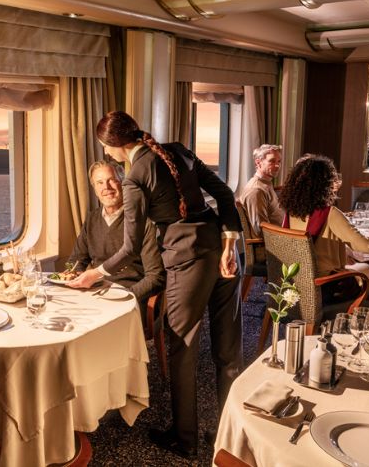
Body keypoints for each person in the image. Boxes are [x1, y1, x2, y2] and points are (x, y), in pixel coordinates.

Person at [69, 111, 243, 458]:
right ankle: (231, 435)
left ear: (112, 146)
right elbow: (224, 195)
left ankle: (185, 438)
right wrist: (229, 242)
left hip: (188, 257)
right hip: (224, 253)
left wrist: (95, 274)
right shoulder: (178, 150)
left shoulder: (135, 178)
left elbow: (129, 248)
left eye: (107, 149)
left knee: (182, 346)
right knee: (228, 352)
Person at [278, 155, 369, 316]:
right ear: (325, 184)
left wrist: (344, 251)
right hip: (327, 288)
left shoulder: (291, 211)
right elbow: (368, 247)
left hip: (293, 282)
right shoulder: (330, 214)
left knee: (365, 269)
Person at [67, 160, 165, 329]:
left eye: (112, 180)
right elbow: (76, 260)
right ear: (95, 189)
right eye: (99, 183)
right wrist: (69, 275)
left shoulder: (143, 221)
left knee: (101, 328)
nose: (106, 187)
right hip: (96, 290)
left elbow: (156, 277)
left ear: (123, 183)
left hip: (131, 296)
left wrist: (126, 295)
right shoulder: (91, 219)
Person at [238, 144, 285, 238]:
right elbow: (261, 230)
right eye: (271, 161)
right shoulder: (256, 190)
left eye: (279, 161)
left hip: (283, 235)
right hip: (275, 245)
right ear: (258, 163)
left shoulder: (266, 183)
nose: (277, 165)